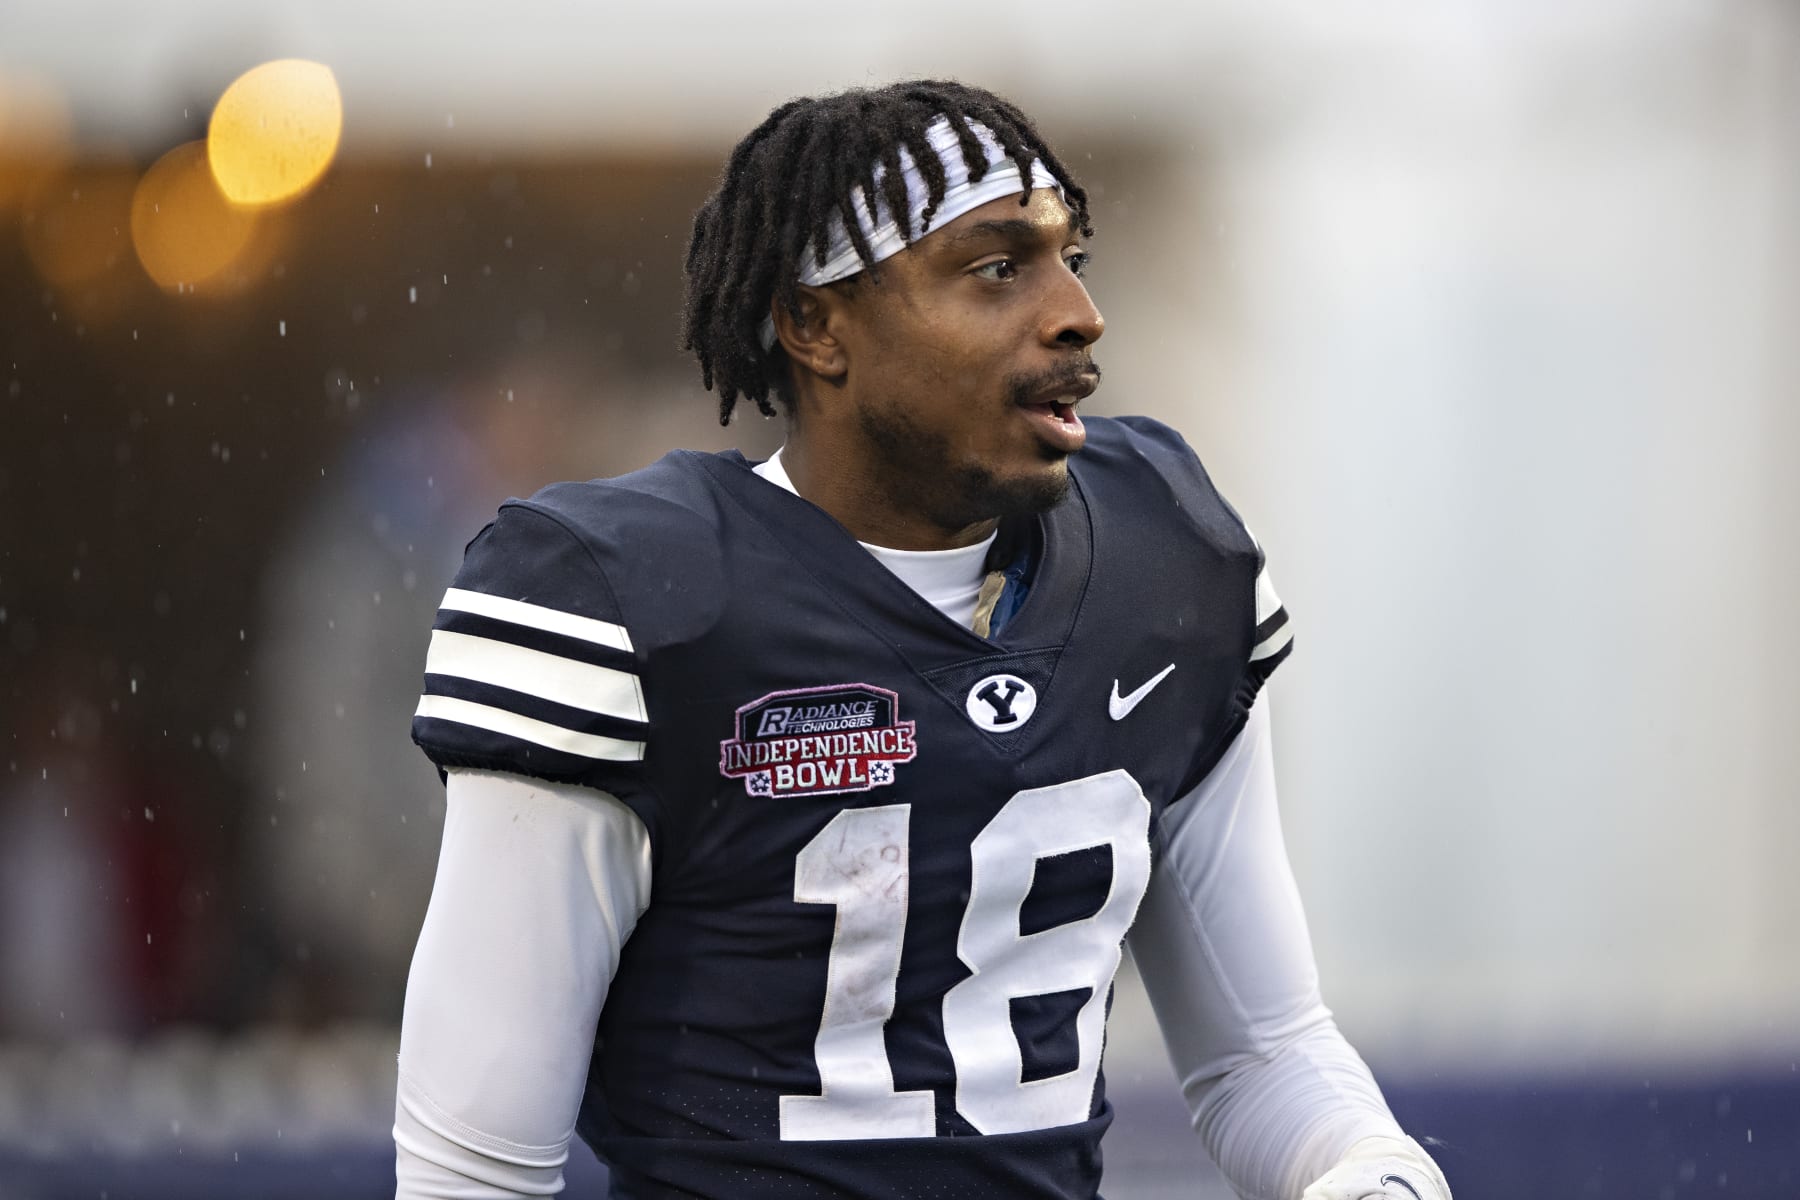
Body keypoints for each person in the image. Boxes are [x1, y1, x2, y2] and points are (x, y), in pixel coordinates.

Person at [394, 80, 1454, 1200]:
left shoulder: (1165, 563)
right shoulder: (631, 601)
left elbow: (1263, 1055)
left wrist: (1373, 1173)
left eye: (1069, 259)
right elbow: (475, 1170)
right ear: (815, 326)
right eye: (997, 267)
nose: (1074, 313)